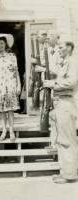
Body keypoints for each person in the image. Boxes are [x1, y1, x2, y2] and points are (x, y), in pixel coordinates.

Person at [43, 41, 78, 184]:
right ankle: (66, 172)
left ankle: (70, 174)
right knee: (61, 139)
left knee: (67, 140)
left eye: (61, 47)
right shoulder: (63, 63)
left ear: (69, 48)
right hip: (60, 103)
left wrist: (52, 84)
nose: (59, 49)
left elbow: (71, 82)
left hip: (67, 102)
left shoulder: (73, 62)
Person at [0, 34, 21, 141]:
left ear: (5, 44)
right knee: (1, 111)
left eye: (2, 43)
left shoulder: (12, 57)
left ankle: (11, 131)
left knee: (11, 110)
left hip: (10, 85)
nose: (0, 45)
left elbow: (16, 72)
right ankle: (4, 131)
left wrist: (19, 85)